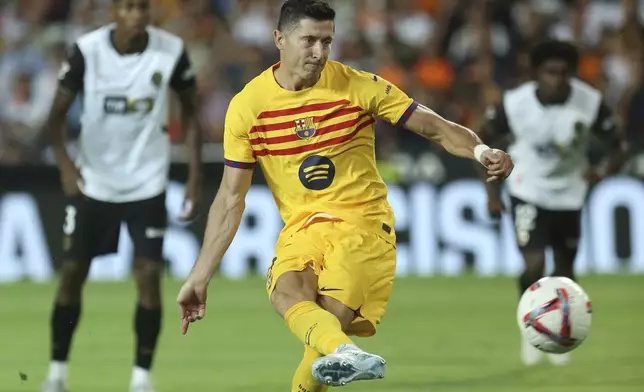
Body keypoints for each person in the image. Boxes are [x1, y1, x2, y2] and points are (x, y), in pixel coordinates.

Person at [177, 0, 513, 390]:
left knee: (323, 329)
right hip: (302, 229)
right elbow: (230, 198)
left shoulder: (358, 86)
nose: (319, 53)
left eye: (326, 42)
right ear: (279, 39)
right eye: (309, 41)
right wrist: (200, 275)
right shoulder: (248, 107)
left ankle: (339, 347)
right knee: (288, 295)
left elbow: (434, 127)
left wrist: (480, 150)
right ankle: (346, 352)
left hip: (363, 227)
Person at [41, 1, 203, 391]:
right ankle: (57, 374)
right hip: (94, 184)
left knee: (148, 276)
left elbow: (193, 115)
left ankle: (140, 379)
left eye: (142, 7)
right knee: (72, 275)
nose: (137, 15)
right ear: (113, 11)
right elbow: (55, 116)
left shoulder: (171, 50)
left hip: (147, 183)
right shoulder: (87, 51)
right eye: (128, 7)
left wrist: (195, 179)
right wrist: (65, 163)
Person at [479, 39, 626, 366]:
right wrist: (491, 194)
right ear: (536, 73)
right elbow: (484, 142)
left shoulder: (590, 102)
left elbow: (618, 144)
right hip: (526, 189)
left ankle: (561, 331)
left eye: (563, 73)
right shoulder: (515, 103)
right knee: (533, 265)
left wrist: (602, 172)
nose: (557, 79)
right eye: (550, 72)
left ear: (571, 73)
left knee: (565, 271)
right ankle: (529, 328)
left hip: (570, 195)